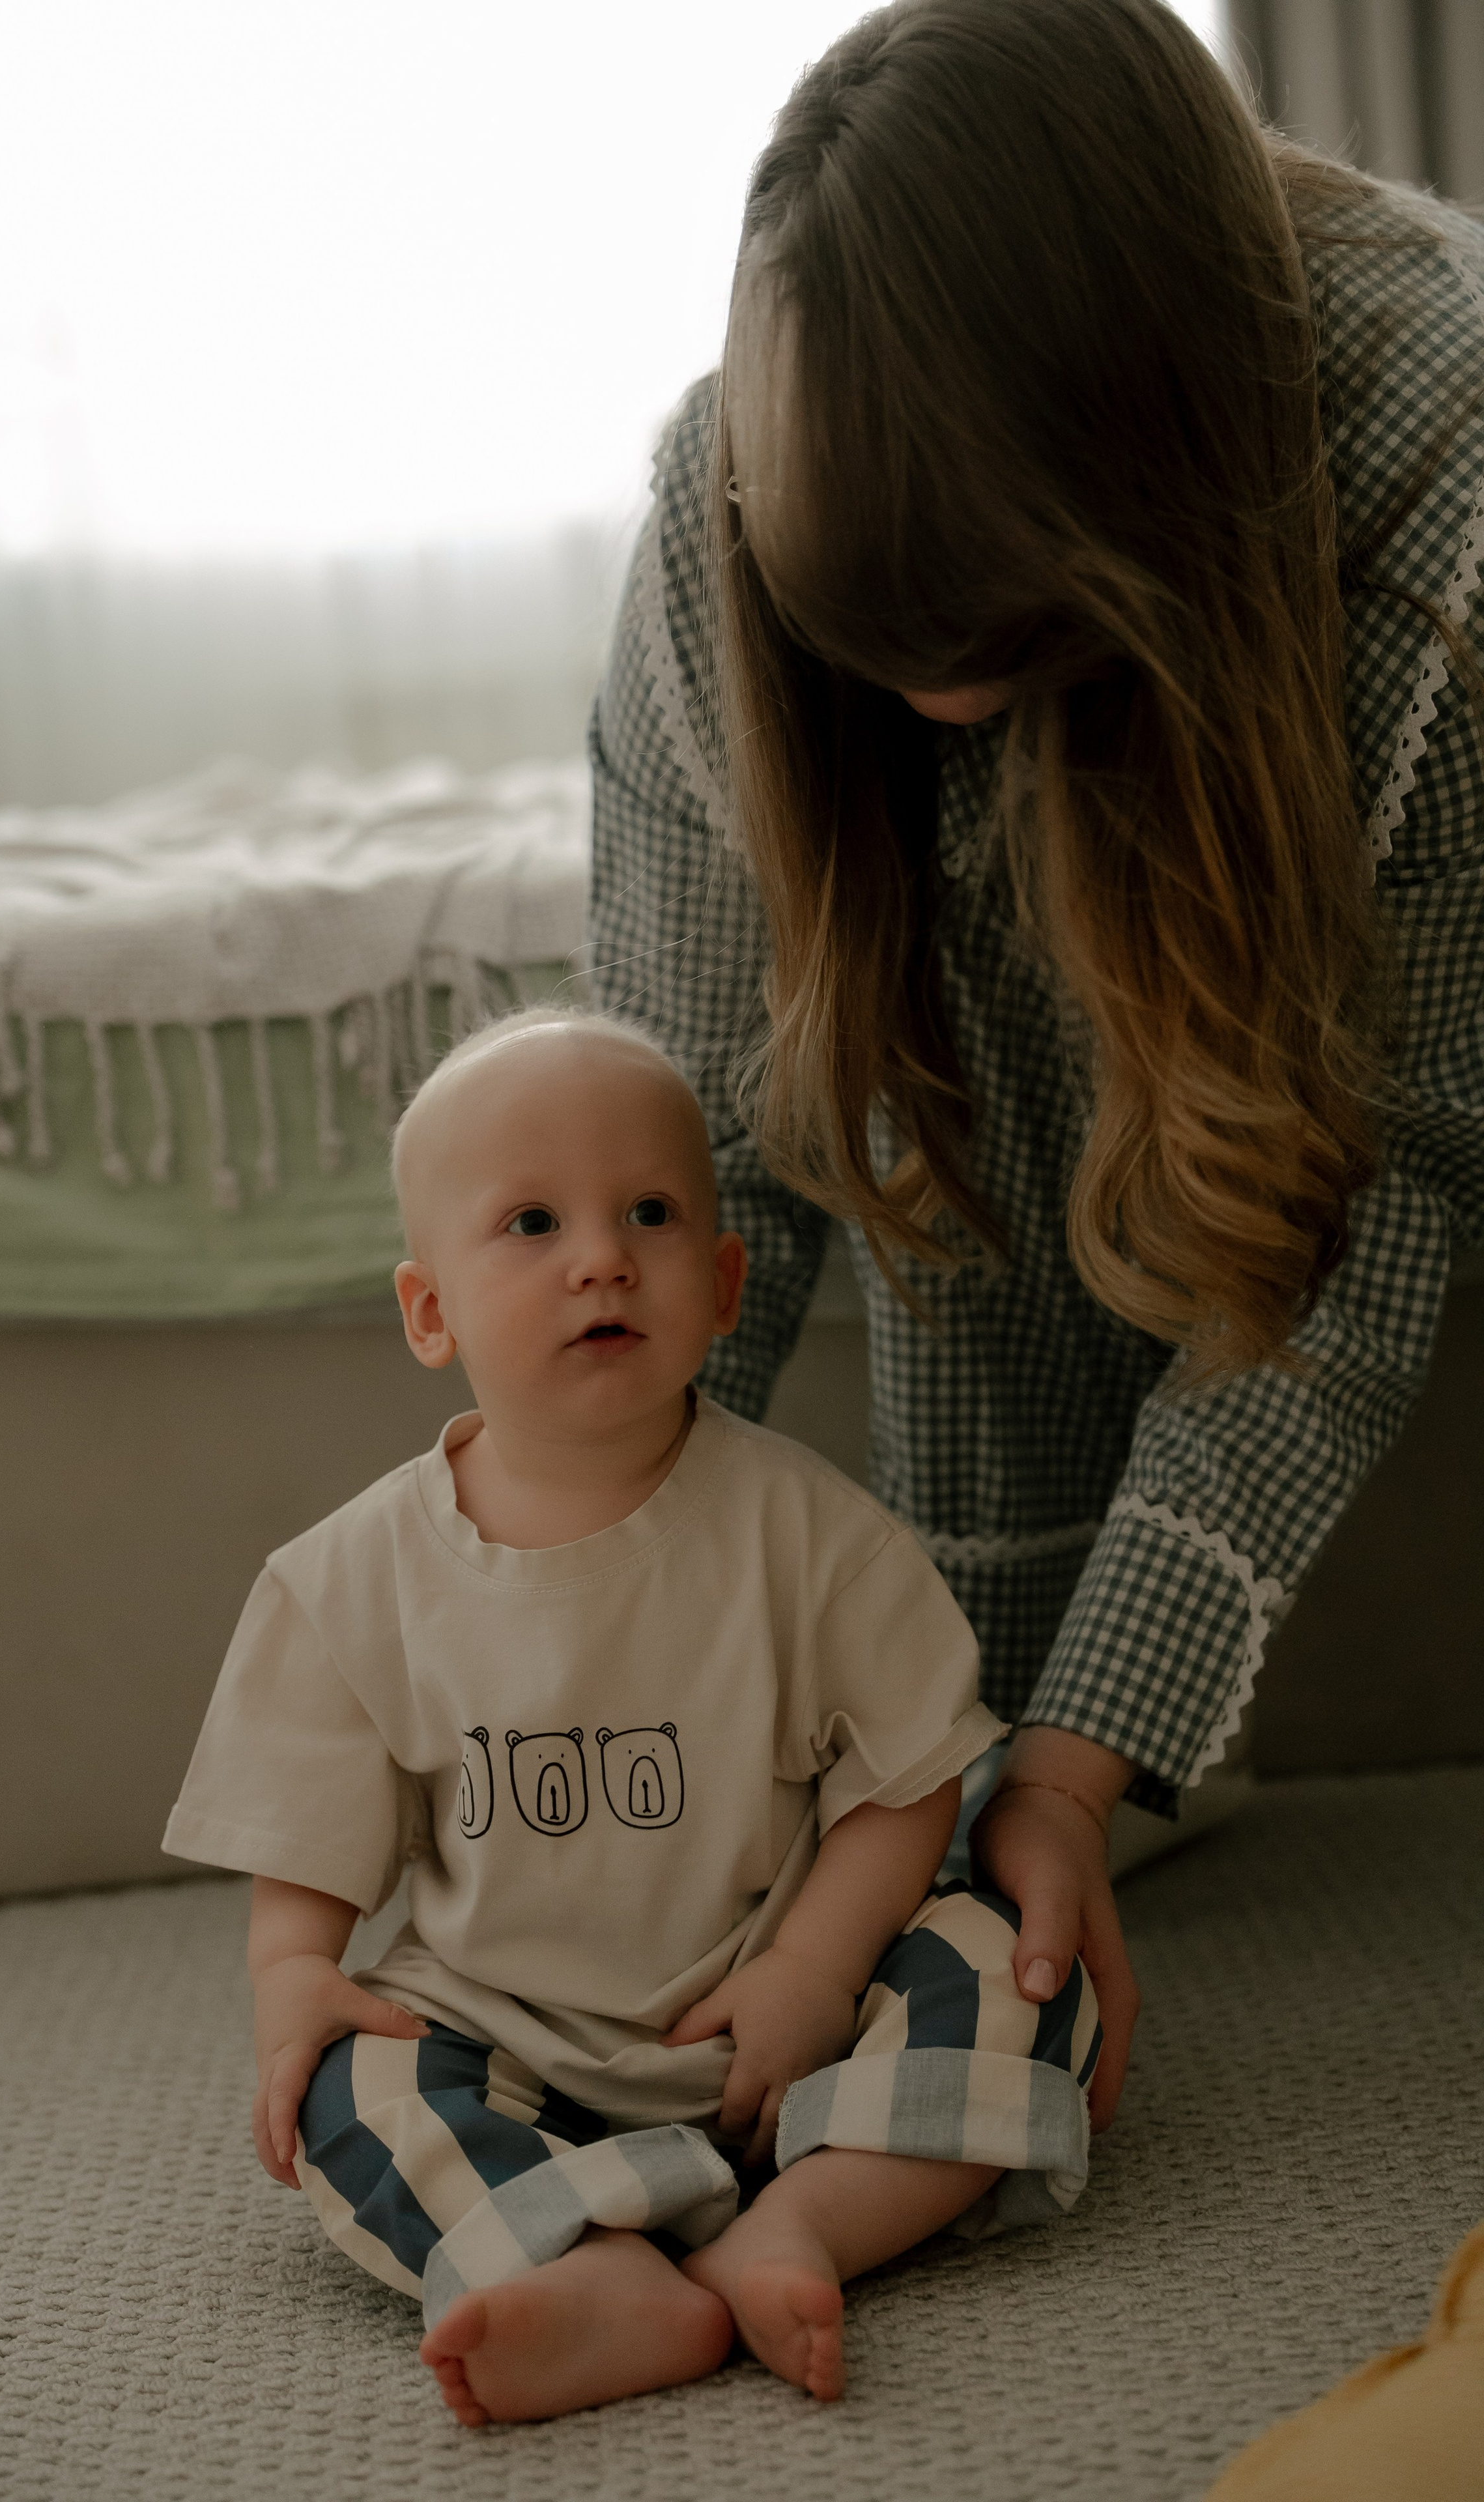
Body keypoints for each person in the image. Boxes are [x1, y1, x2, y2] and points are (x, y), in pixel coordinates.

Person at [589, 0, 1484, 2136]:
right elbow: (673, 1161)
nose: (950, 724)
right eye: (878, 658)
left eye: (999, 654)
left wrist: (1073, 1759)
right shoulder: (714, 527)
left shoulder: (1430, 518)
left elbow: (1365, 1187)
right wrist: (580, 1672)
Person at [164, 1008, 1102, 2423]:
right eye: (531, 1222)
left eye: (649, 1213)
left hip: (783, 2009)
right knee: (350, 2100)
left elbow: (910, 1777)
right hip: (504, 2030)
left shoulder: (804, 1533)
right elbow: (303, 1825)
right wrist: (291, 1974)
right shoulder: (348, 1581)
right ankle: (599, 2266)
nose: (600, 1255)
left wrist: (813, 1965)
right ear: (432, 1313)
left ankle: (805, 2224)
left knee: (1019, 1971)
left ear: (721, 1282)